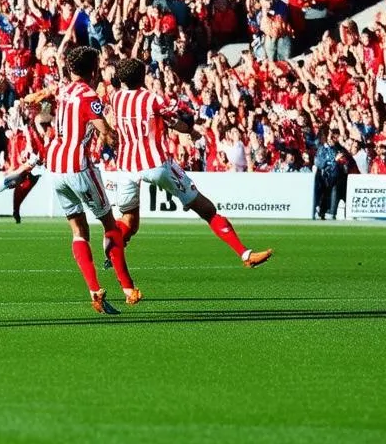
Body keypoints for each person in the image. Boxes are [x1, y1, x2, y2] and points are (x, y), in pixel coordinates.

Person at [107, 57, 273, 269]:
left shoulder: (116, 98)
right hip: (156, 164)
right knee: (207, 209)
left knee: (129, 222)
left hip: (127, 167)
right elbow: (176, 123)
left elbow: (117, 85)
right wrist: (192, 131)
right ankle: (244, 253)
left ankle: (112, 247)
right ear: (142, 78)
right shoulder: (151, 99)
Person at [44, 46, 141, 314]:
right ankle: (127, 287)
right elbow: (106, 134)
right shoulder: (89, 96)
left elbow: (46, 106)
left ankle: (94, 289)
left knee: (78, 231)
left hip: (55, 165)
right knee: (110, 224)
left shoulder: (63, 89)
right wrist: (117, 133)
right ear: (93, 69)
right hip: (79, 165)